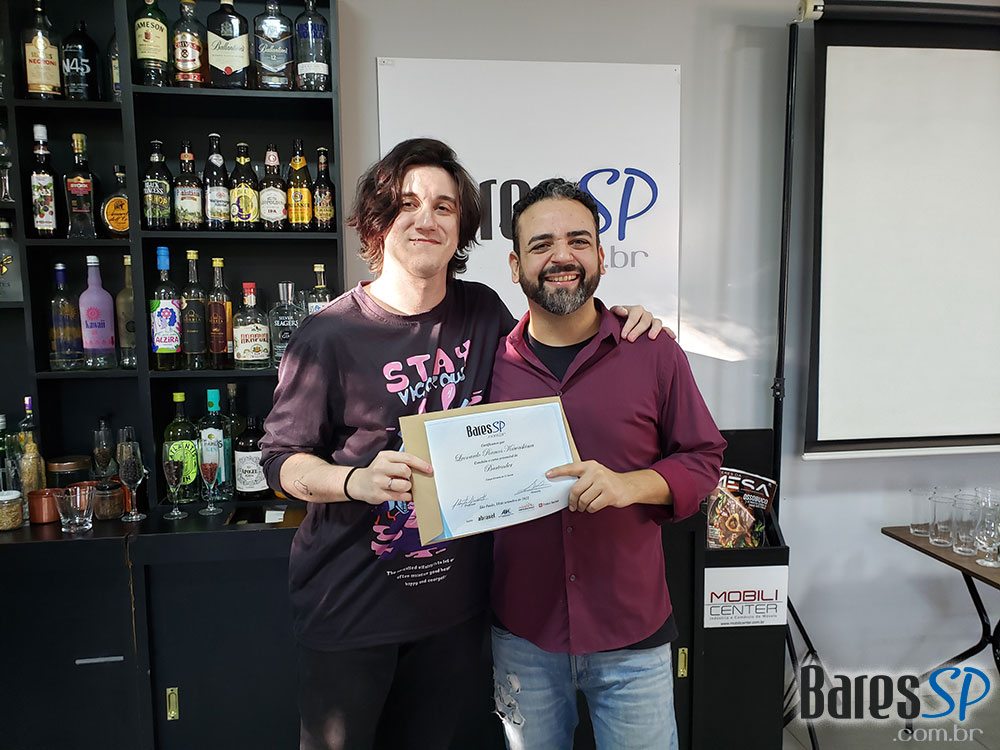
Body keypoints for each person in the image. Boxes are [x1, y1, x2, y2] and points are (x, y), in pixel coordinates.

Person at [259, 139, 662, 750]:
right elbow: (280, 462)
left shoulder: (482, 311)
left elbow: (555, 336)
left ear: (461, 229)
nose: (426, 219)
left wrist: (620, 320)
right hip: (351, 610)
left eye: (444, 207)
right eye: (407, 204)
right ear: (378, 220)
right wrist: (354, 481)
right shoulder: (329, 333)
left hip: (452, 615)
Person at [489, 178, 726, 750]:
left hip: (632, 634)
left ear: (600, 255)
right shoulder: (488, 364)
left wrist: (629, 486)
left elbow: (704, 459)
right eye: (542, 244)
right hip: (524, 633)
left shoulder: (653, 351)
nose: (562, 257)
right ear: (516, 265)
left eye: (578, 241)